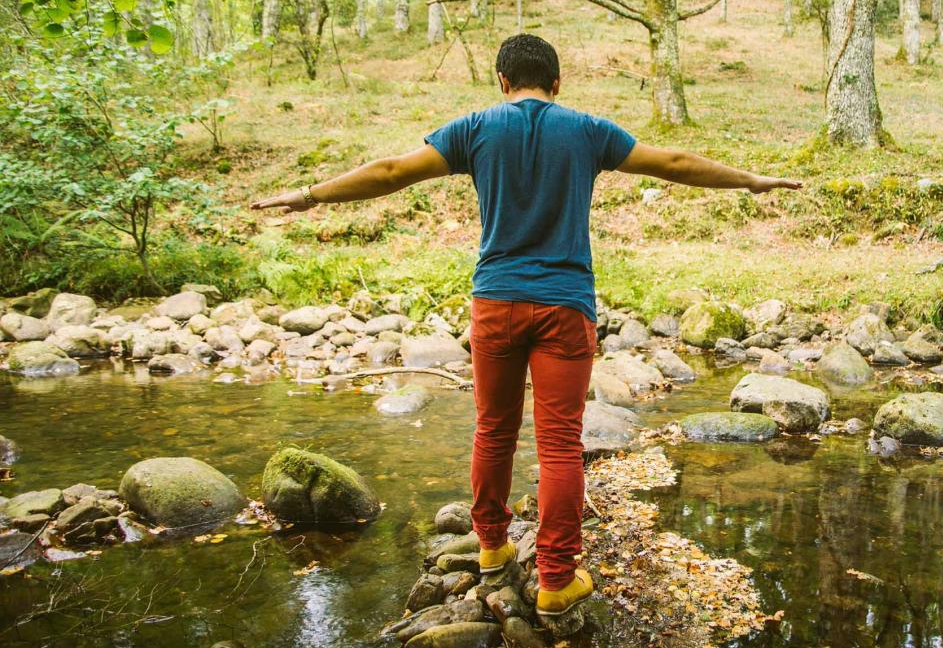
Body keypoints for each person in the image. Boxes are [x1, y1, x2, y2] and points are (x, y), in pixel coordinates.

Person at [251, 33, 800, 616]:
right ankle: (557, 580)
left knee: (493, 428)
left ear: (503, 82)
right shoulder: (588, 130)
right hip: (566, 305)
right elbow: (674, 163)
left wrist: (308, 196)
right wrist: (750, 179)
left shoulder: (476, 127)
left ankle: (491, 550)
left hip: (497, 303)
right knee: (561, 442)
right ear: (557, 84)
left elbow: (389, 171)